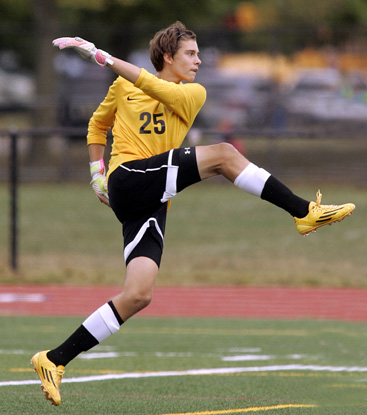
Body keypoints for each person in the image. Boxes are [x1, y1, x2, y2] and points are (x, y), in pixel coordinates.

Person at [31, 21, 355, 406]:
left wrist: (104, 57)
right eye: (191, 53)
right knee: (223, 155)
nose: (199, 60)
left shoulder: (192, 94)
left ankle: (53, 359)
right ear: (168, 57)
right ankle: (305, 212)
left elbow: (154, 87)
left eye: (198, 54)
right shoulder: (123, 85)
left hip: (152, 198)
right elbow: (97, 125)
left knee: (138, 294)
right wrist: (95, 173)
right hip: (129, 179)